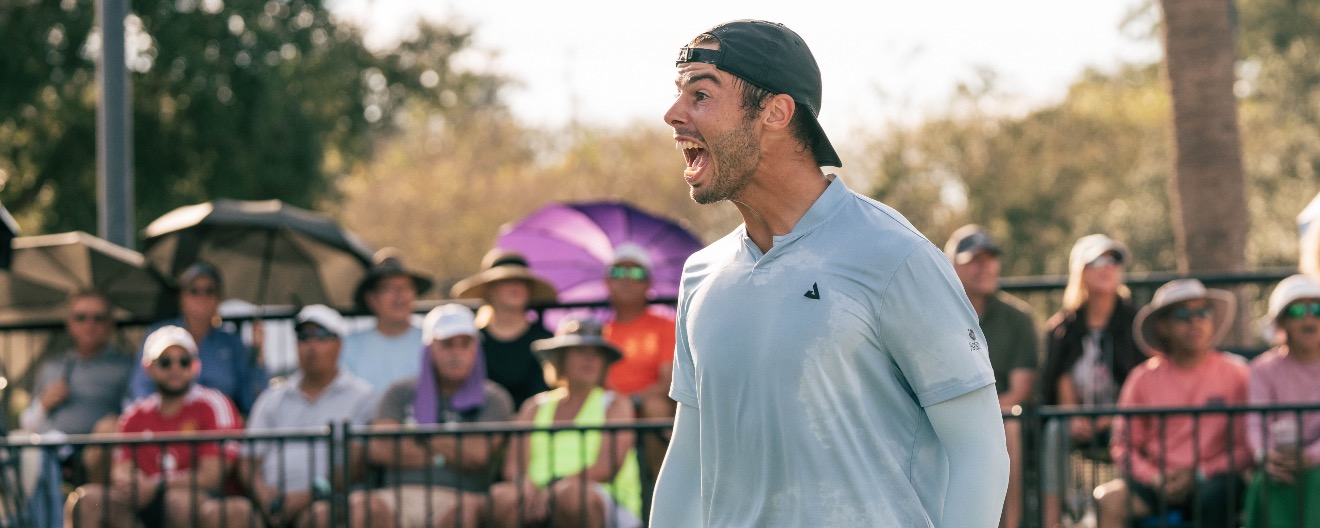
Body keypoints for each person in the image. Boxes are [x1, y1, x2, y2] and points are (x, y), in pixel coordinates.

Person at [654, 20, 1009, 527]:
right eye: (679, 94)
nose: (673, 114)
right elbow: (688, 466)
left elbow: (980, 452)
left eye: (701, 95)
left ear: (776, 112)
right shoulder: (701, 275)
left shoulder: (894, 254)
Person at [1094, 278, 1252, 528]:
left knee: (1217, 497)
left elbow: (1247, 445)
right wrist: (1154, 477)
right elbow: (1122, 445)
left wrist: (1200, 473)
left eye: (1203, 312)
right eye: (1182, 315)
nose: (1195, 321)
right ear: (1163, 326)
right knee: (1108, 500)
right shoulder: (1142, 379)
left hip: (1215, 482)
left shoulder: (1238, 374)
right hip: (1156, 482)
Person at [66, 325, 252, 528]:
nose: (175, 369)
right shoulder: (134, 414)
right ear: (148, 368)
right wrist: (131, 482)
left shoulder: (215, 405)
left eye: (184, 361)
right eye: (165, 362)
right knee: (86, 500)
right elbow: (121, 470)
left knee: (178, 502)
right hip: (142, 504)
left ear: (195, 366)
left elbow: (212, 476)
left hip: (199, 503)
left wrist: (156, 486)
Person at [350, 304, 514, 528]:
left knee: (465, 511)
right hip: (396, 497)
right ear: (429, 349)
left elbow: (477, 455)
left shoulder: (494, 397)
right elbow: (379, 448)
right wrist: (446, 455)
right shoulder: (399, 391)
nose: (456, 353)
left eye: (465, 344)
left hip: (460, 498)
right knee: (361, 505)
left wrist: (416, 434)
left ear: (476, 349)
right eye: (447, 344)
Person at [488, 316, 642, 528]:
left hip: (603, 500)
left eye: (597, 354)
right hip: (539, 495)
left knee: (571, 496)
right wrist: (528, 487)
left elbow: (606, 467)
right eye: (580, 351)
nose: (589, 359)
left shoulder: (616, 404)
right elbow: (513, 467)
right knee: (501, 497)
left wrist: (554, 489)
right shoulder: (533, 407)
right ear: (559, 358)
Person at [1039, 234, 1145, 527]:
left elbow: (1142, 381)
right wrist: (1073, 415)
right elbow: (1059, 378)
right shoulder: (1062, 328)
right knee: (1054, 430)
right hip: (1080, 421)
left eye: (1113, 260)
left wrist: (1110, 418)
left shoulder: (1136, 322)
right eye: (1097, 261)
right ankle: (1051, 521)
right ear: (1080, 271)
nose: (1106, 267)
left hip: (1125, 417)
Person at [240, 305, 374, 527]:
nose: (311, 345)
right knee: (234, 513)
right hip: (270, 504)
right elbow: (248, 461)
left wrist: (305, 497)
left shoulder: (362, 397)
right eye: (303, 337)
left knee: (321, 516)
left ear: (339, 344)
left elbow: (355, 465)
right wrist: (266, 498)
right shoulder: (272, 398)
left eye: (321, 336)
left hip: (329, 501)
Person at [943, 224, 1039, 528]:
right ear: (951, 266)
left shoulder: (1018, 318)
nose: (985, 267)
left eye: (990, 258)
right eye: (974, 259)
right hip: (945, 413)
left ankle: (1009, 524)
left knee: (1009, 425)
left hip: (999, 415)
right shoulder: (935, 314)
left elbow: (1021, 390)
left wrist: (981, 414)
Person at [20, 290, 133, 483]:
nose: (90, 325)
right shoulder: (52, 367)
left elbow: (133, 415)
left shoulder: (125, 367)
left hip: (96, 455)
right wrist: (43, 404)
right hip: (51, 450)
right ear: (70, 324)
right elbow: (28, 423)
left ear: (110, 324)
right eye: (81, 318)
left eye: (98, 318)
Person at [129, 262, 269, 414]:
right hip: (167, 423)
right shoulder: (158, 335)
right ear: (181, 297)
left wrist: (257, 354)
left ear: (219, 298)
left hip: (218, 424)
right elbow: (140, 390)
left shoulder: (232, 343)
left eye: (210, 291)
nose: (202, 297)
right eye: (194, 290)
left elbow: (252, 402)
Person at [1243, 274, 1320, 528]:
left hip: (1317, 466)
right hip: (1279, 464)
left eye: (1316, 310)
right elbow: (1255, 421)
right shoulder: (1262, 369)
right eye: (1297, 311)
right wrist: (1266, 455)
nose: (1309, 318)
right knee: (1267, 482)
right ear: (1282, 321)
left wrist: (1311, 456)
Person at [451, 248, 558, 407]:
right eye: (506, 280)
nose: (515, 286)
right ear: (490, 289)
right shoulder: (471, 342)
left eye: (521, 281)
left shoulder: (546, 340)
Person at [341, 248, 434, 393]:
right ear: (372, 299)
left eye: (405, 287)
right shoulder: (349, 346)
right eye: (389, 288)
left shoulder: (432, 342)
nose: (399, 295)